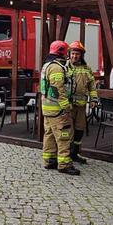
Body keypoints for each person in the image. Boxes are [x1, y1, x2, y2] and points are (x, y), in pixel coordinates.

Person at [41, 40, 79, 175]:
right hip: (58, 109)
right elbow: (57, 88)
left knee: (49, 134)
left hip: (47, 107)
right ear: (62, 52)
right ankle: (64, 164)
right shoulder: (57, 67)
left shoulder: (47, 65)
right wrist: (66, 106)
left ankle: (49, 160)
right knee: (64, 135)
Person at [66, 41, 98, 164]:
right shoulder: (64, 67)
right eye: (73, 53)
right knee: (67, 130)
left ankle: (75, 154)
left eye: (77, 54)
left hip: (81, 106)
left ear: (81, 55)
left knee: (79, 129)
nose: (75, 56)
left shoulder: (86, 69)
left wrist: (93, 99)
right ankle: (65, 154)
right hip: (68, 106)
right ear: (69, 54)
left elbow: (92, 86)